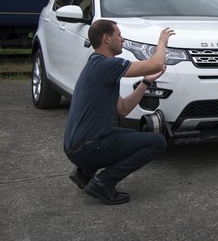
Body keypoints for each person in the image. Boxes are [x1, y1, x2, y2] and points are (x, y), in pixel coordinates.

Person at [63, 19, 175, 204]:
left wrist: (146, 82)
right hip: (87, 148)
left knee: (131, 136)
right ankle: (102, 183)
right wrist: (162, 42)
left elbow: (123, 109)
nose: (122, 39)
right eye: (119, 35)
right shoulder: (107, 65)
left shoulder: (98, 66)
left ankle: (84, 172)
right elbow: (156, 63)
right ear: (106, 38)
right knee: (157, 142)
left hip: (77, 148)